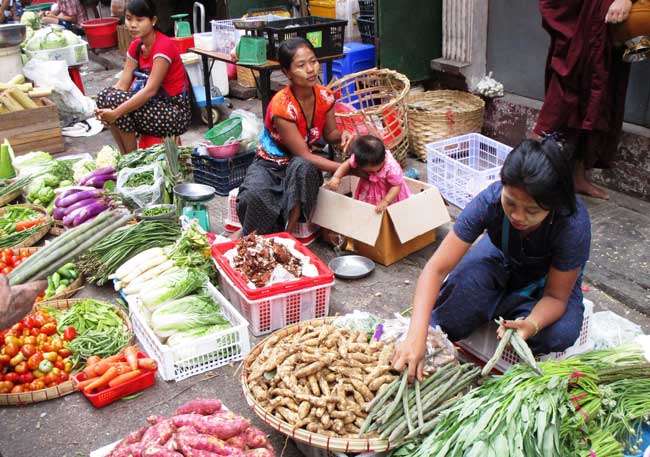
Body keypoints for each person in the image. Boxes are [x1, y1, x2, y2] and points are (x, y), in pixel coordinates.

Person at [392, 138, 591, 381]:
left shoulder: (572, 225)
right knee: (451, 312)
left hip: (548, 284)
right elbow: (436, 269)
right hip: (502, 259)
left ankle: (501, 307)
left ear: (554, 206)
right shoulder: (491, 201)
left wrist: (531, 324)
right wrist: (416, 334)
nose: (518, 216)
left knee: (559, 334)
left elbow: (556, 297)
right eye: (511, 203)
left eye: (532, 211)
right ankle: (497, 304)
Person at [235, 38, 354, 236]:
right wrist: (348, 169)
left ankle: (287, 235)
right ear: (286, 72)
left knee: (303, 168)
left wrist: (344, 135)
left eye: (313, 61)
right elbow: (305, 154)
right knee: (253, 196)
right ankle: (255, 237)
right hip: (270, 164)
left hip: (300, 167)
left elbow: (330, 134)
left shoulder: (325, 97)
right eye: (301, 65)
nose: (310, 69)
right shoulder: (282, 106)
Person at [531, 0, 634, 200]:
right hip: (577, 16)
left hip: (607, 21)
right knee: (562, 99)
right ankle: (524, 178)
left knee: (595, 102)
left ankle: (578, 178)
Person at [95, 0, 190, 154]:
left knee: (116, 104)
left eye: (139, 20)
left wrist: (115, 112)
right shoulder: (136, 46)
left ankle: (132, 158)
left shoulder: (163, 46)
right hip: (152, 106)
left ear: (153, 21)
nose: (133, 24)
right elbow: (122, 84)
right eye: (129, 18)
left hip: (173, 112)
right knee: (105, 96)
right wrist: (103, 108)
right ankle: (125, 157)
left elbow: (150, 90)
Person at [327, 135, 410, 213]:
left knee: (388, 212)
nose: (368, 173)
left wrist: (386, 200)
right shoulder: (360, 157)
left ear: (381, 162)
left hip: (388, 193)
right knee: (367, 209)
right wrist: (337, 177)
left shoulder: (391, 167)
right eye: (365, 170)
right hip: (369, 190)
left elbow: (396, 186)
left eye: (370, 171)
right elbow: (347, 164)